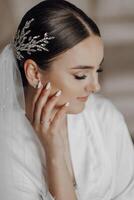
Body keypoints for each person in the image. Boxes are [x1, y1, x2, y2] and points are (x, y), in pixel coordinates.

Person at [0, 0, 134, 199]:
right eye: (80, 75)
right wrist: (55, 152)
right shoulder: (6, 144)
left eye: (98, 70)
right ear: (34, 73)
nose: (96, 87)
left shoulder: (106, 118)